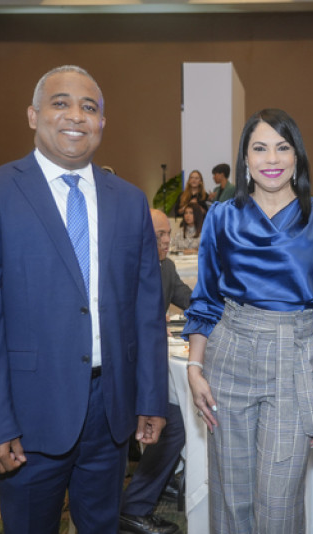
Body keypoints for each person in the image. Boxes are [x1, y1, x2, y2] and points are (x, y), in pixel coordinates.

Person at [0, 65, 168, 533]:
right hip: (28, 414)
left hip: (110, 411)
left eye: (90, 107)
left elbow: (146, 312)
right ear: (33, 115)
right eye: (60, 103)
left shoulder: (129, 201)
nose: (76, 116)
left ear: (102, 123)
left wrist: (151, 397)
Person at [184, 108, 313, 534]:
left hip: (295, 355)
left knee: (278, 505)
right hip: (229, 352)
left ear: (297, 156)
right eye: (259, 148)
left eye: (283, 147)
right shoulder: (223, 218)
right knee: (230, 498)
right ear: (245, 159)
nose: (272, 158)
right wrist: (194, 366)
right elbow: (206, 299)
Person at [119, 209, 191, 534]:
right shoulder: (123, 270)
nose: (166, 241)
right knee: (174, 424)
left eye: (167, 234)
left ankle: (161, 477)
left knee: (175, 418)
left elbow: (190, 300)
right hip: (124, 373)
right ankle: (134, 507)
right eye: (159, 235)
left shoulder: (166, 267)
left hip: (148, 368)